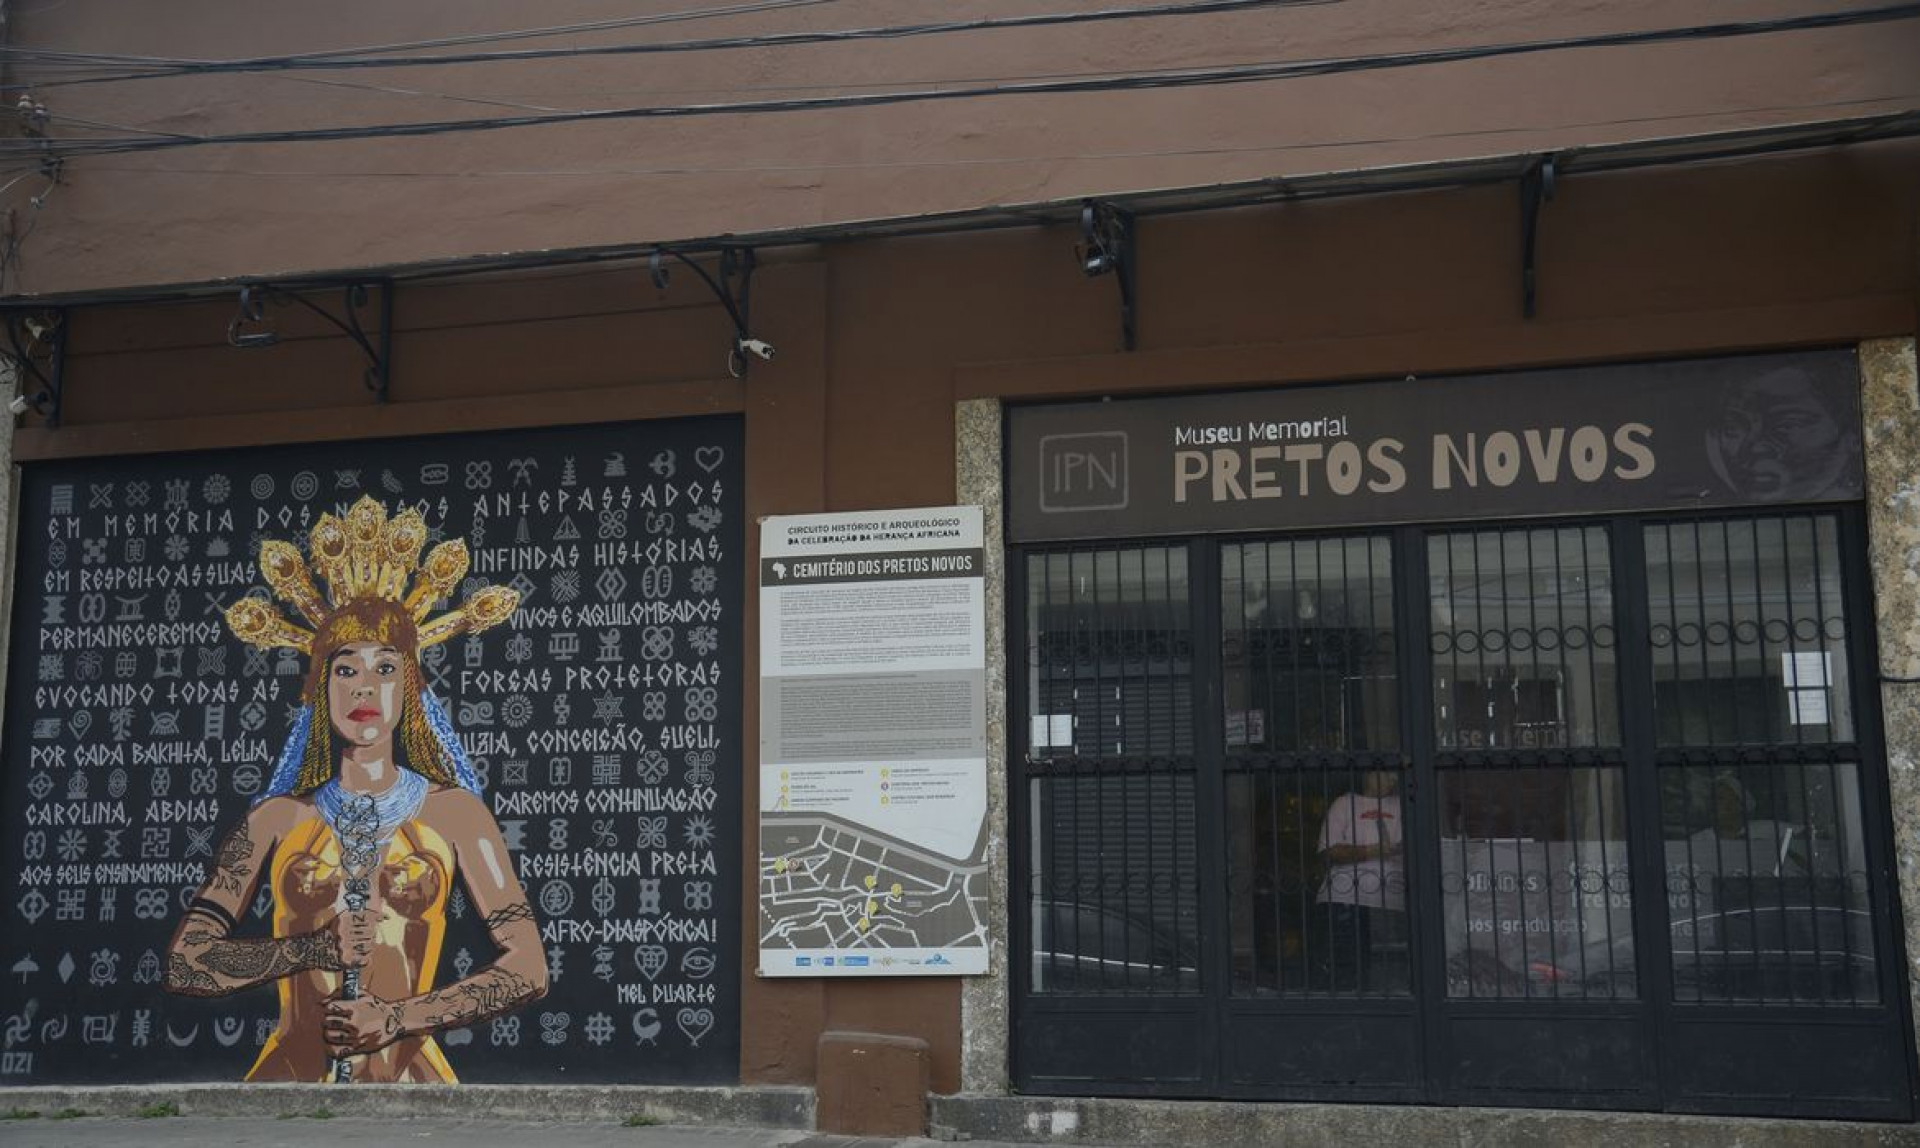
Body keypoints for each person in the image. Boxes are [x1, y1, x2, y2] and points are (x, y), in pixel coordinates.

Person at [164, 496, 547, 1083]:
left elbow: (527, 967)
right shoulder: (275, 820)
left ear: (410, 688)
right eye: (345, 669)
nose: (364, 686)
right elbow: (187, 963)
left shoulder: (456, 816)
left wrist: (398, 1017)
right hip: (287, 1083)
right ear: (320, 688)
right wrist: (308, 950)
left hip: (412, 1082)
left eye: (386, 668)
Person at [1316, 770, 1405, 991]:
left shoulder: (1403, 805)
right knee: (1349, 964)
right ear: (1368, 774)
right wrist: (1373, 851)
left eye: (1395, 775)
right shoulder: (1345, 804)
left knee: (1390, 968)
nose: (1393, 779)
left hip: (1391, 897)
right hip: (1346, 897)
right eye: (1386, 773)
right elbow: (1329, 851)